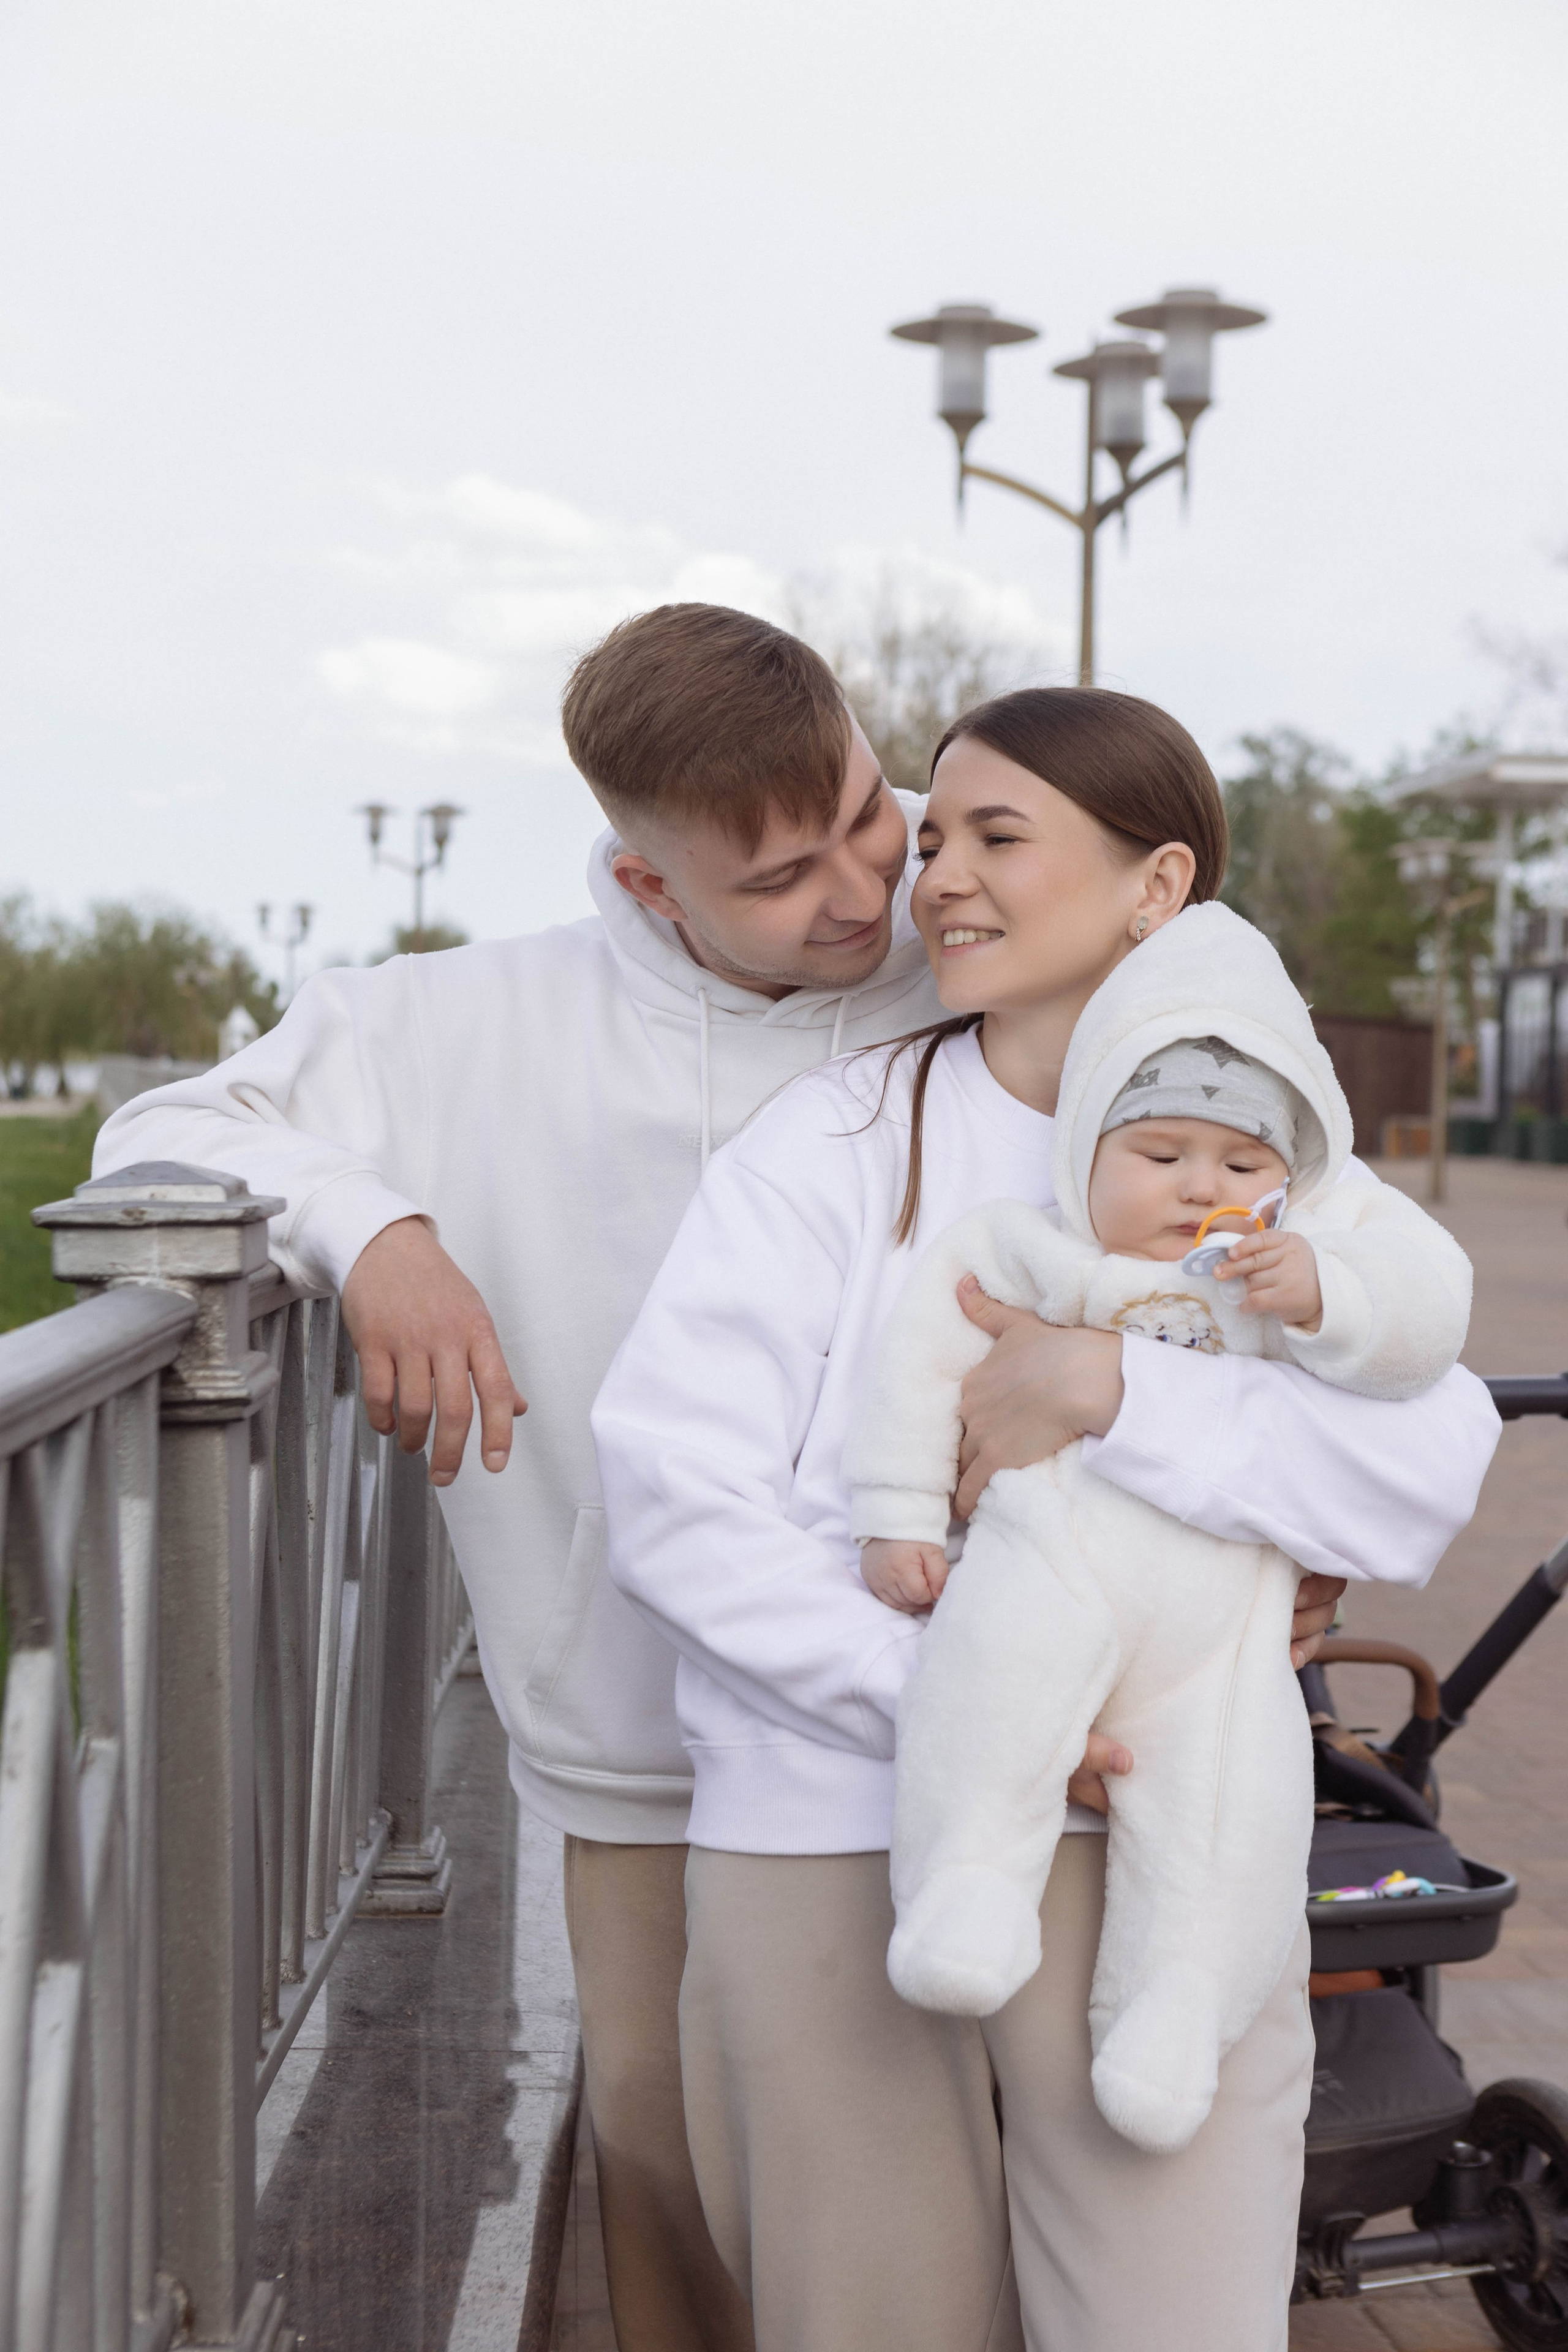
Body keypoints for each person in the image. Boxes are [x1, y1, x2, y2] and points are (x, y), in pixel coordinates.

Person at [100, 605, 1221, 2352]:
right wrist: (373, 1228)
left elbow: (1234, 1137)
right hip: (650, 1734)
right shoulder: (467, 1025)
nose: (864, 893)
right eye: (779, 878)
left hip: (1030, 1680)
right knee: (665, 2150)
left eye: (872, 812)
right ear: (644, 887)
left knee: (1041, 2149)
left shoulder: (979, 930)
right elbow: (160, 1135)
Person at [590, 687, 1501, 2352]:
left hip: (1166, 1820)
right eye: (932, 834)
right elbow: (673, 1496)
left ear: (1158, 888)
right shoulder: (837, 1143)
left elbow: (1425, 1462)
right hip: (830, 1824)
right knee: (868, 2320)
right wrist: (950, 1695)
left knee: (1172, 2315)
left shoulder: (1271, 1160)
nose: (938, 876)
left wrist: (1112, 1390)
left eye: (997, 837)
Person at [846, 900, 1471, 2155]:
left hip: (1222, 1629)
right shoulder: (1026, 1248)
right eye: (1160, 1153)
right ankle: (966, 1886)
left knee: (1232, 1815)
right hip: (1053, 1560)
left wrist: (1324, 1293)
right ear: (1086, 1151)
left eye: (1241, 1166)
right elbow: (917, 1360)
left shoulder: (1277, 1274)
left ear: (1283, 1184)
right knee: (987, 1693)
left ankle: (1175, 2011)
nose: (1200, 1187)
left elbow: (1429, 1313)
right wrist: (897, 1511)